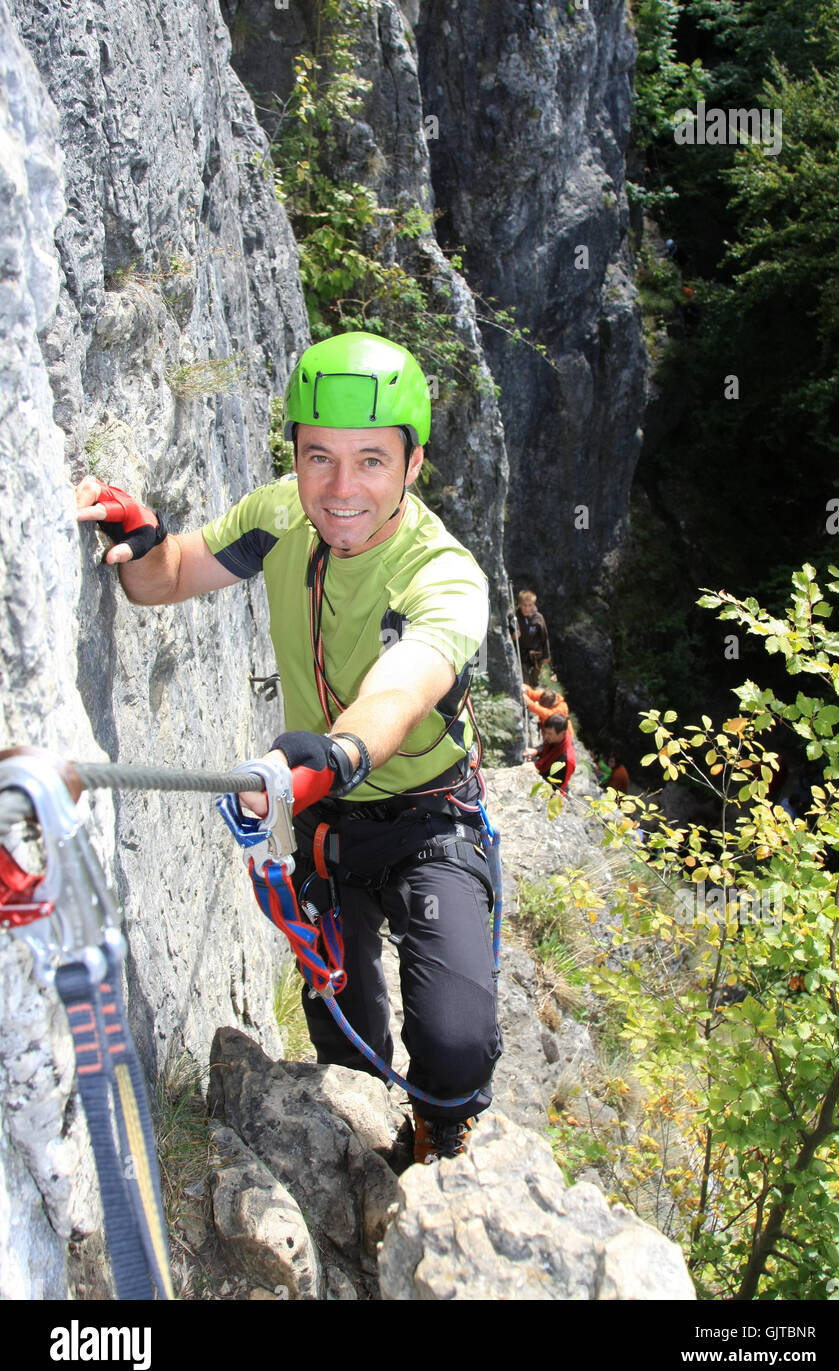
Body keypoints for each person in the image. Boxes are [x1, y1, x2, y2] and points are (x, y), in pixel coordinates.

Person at [76, 330, 501, 1164]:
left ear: (414, 465)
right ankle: (361, 1149)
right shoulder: (279, 516)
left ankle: (439, 1130)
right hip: (326, 822)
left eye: (372, 460)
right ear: (297, 457)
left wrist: (332, 755)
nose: (342, 489)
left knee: (453, 1044)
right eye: (319, 458)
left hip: (425, 822)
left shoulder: (443, 575)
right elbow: (164, 579)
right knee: (343, 1034)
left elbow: (402, 689)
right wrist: (141, 538)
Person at [522, 713, 577, 797]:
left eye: (550, 734)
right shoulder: (558, 739)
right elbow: (545, 746)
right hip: (544, 772)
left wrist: (535, 770)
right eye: (545, 732)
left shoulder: (566, 759)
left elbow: (555, 787)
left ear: (562, 733)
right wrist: (536, 751)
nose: (546, 736)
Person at [513, 590, 551, 679]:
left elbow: (544, 637)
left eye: (529, 605)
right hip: (521, 655)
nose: (526, 608)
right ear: (519, 604)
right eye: (524, 605)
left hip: (536, 654)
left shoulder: (538, 618)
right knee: (524, 680)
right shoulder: (514, 616)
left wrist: (546, 655)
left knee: (534, 680)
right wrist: (513, 637)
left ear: (533, 605)